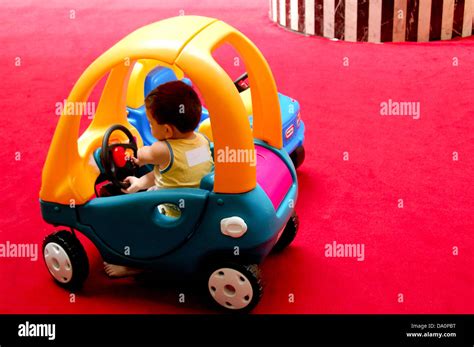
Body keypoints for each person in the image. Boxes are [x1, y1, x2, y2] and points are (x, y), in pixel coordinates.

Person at [104, 80, 214, 278]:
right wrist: (139, 183)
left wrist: (134, 147)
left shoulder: (161, 150)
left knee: (131, 217)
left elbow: (141, 154)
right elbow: (175, 174)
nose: (149, 126)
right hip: (197, 203)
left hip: (169, 209)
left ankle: (134, 264)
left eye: (150, 123)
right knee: (151, 183)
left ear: (167, 131)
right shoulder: (202, 140)